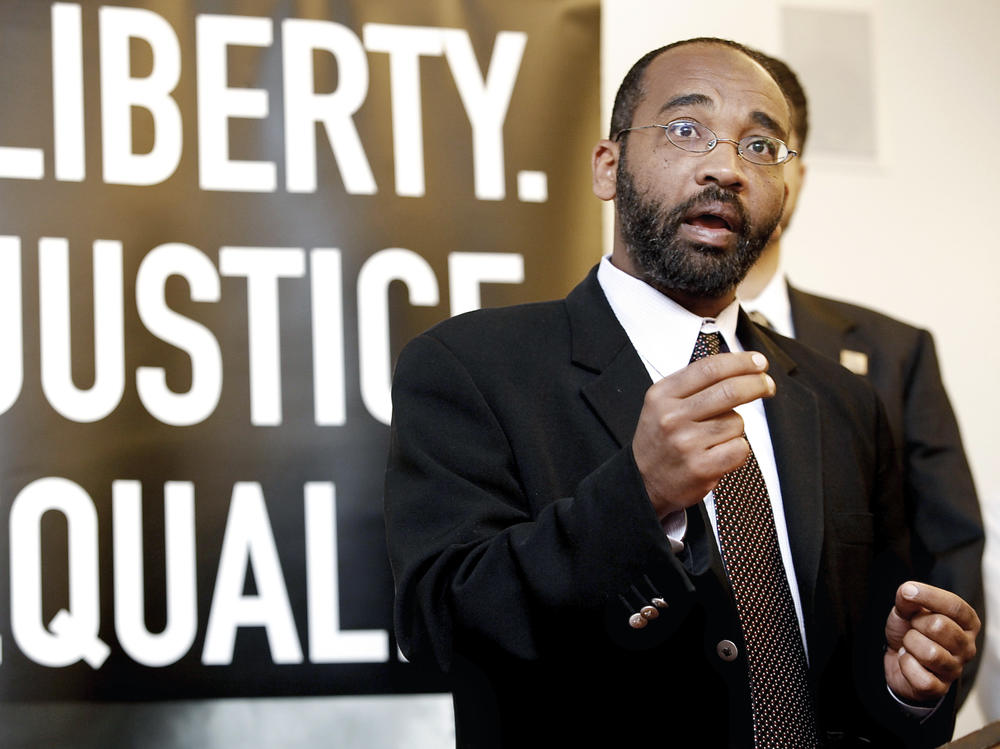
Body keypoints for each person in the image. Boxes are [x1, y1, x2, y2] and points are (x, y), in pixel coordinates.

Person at [384, 38, 980, 748]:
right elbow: (439, 625)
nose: (726, 167)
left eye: (761, 146)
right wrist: (638, 497)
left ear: (787, 193)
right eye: (685, 130)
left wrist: (902, 688)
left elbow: (855, 674)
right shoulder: (469, 366)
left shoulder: (843, 400)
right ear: (608, 167)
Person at [737, 50, 986, 707]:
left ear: (799, 176)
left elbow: (949, 550)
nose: (729, 170)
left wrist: (920, 699)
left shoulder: (893, 351)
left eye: (762, 146)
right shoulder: (628, 348)